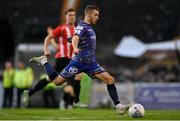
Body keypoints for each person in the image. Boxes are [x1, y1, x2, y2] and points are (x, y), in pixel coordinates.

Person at [29, 5, 129, 115]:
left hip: (91, 63)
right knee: (57, 82)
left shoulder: (90, 27)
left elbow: (75, 38)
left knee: (110, 80)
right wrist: (75, 47)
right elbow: (76, 37)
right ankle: (44, 61)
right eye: (96, 15)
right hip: (78, 63)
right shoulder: (82, 26)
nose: (97, 17)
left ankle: (119, 107)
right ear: (89, 14)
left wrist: (73, 41)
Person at [22, 8, 87, 108]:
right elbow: (48, 38)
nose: (72, 17)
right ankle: (75, 101)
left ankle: (29, 92)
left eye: (73, 15)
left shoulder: (76, 29)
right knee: (78, 75)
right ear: (66, 17)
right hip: (62, 58)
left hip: (70, 59)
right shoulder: (62, 28)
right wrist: (46, 49)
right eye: (69, 15)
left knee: (50, 80)